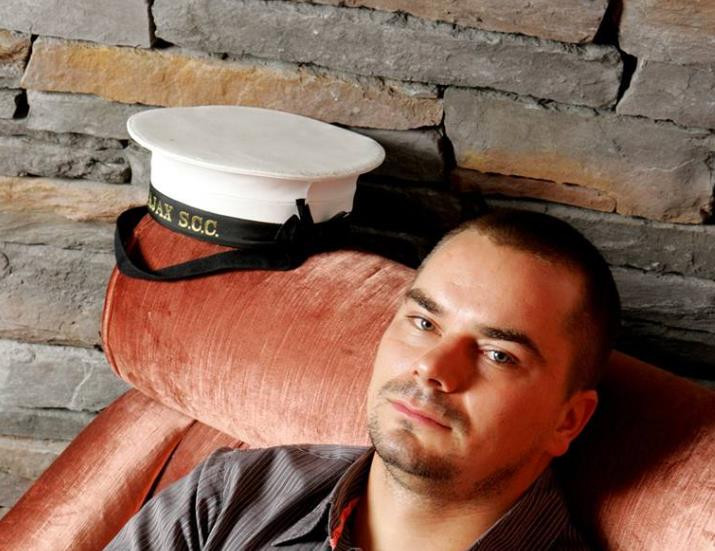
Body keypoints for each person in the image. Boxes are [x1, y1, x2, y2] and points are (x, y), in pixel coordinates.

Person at [105, 207, 621, 550]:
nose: (433, 368)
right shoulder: (229, 495)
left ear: (568, 420)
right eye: (424, 324)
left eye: (498, 355)